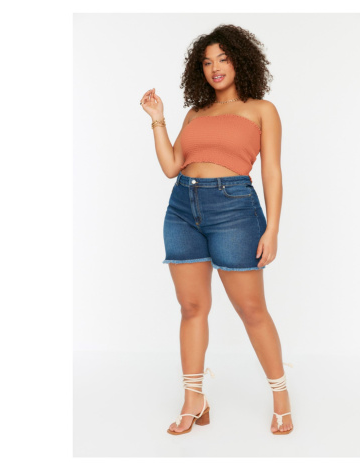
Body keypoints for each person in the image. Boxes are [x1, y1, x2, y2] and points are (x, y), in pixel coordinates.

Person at [140, 24, 293, 435]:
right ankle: (194, 399)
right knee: (191, 308)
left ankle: (281, 398)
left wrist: (273, 228)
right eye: (207, 62)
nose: (215, 68)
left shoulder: (261, 110)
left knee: (252, 310)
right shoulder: (195, 112)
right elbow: (171, 166)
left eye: (223, 59)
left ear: (240, 61)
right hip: (182, 208)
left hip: (234, 210)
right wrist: (158, 120)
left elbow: (272, 172)